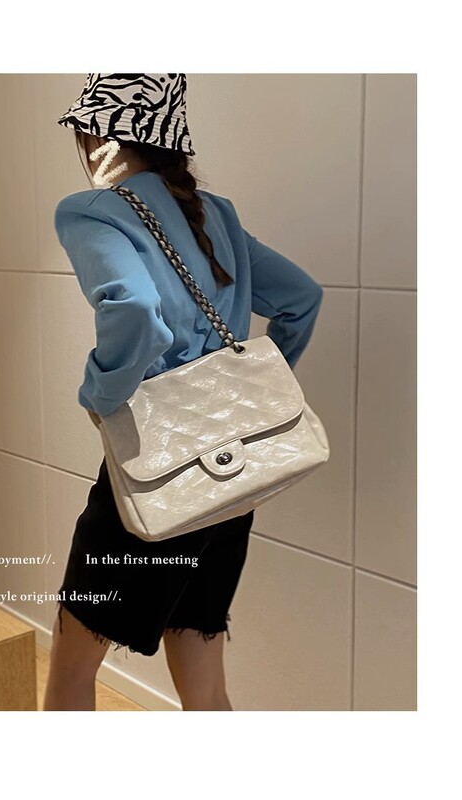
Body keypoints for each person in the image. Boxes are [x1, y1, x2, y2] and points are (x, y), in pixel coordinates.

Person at [43, 74, 324, 711]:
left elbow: (136, 310)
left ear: (99, 136)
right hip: (232, 481)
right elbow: (303, 298)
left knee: (71, 673)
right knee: (206, 687)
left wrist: (100, 395)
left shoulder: (91, 211)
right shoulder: (217, 213)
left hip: (156, 478)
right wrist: (254, 388)